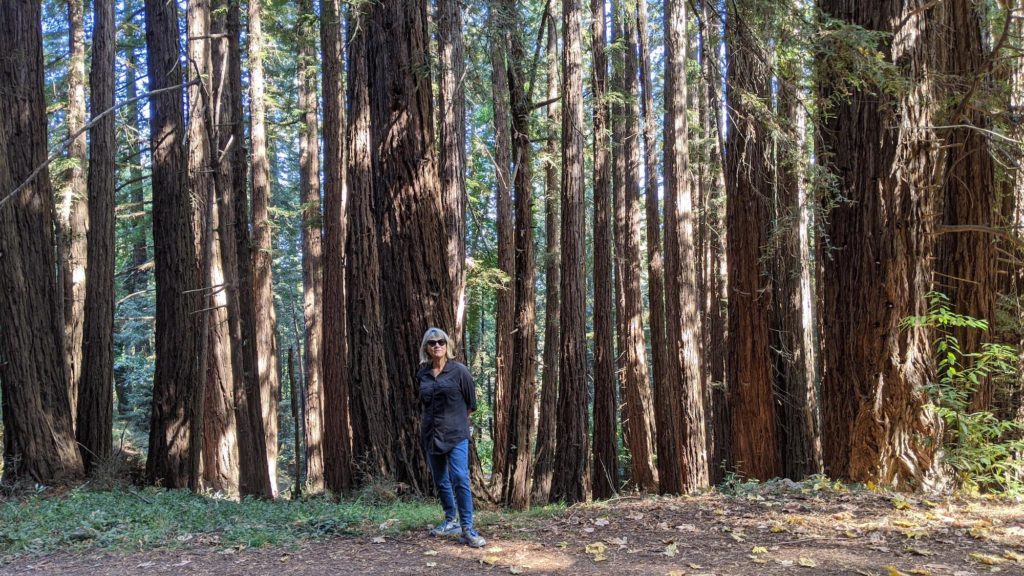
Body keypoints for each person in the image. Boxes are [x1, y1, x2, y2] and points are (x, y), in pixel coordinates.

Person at [417, 327, 486, 548]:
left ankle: (467, 529)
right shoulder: (422, 373)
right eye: (432, 342)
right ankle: (450, 520)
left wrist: (454, 422)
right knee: (440, 480)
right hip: (431, 435)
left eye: (441, 342)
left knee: (459, 478)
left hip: (456, 435)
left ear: (447, 345)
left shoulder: (460, 371)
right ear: (426, 348)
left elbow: (471, 406)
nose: (437, 345)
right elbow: (424, 403)